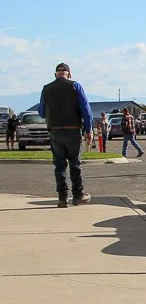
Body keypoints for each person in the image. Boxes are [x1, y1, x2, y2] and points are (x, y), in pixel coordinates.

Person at [38, 63, 93, 207]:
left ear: (55, 74)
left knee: (59, 165)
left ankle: (62, 197)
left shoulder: (46, 88)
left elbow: (41, 112)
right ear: (69, 73)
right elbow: (86, 109)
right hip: (73, 129)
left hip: (55, 130)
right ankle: (78, 194)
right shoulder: (75, 86)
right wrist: (89, 130)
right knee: (75, 163)